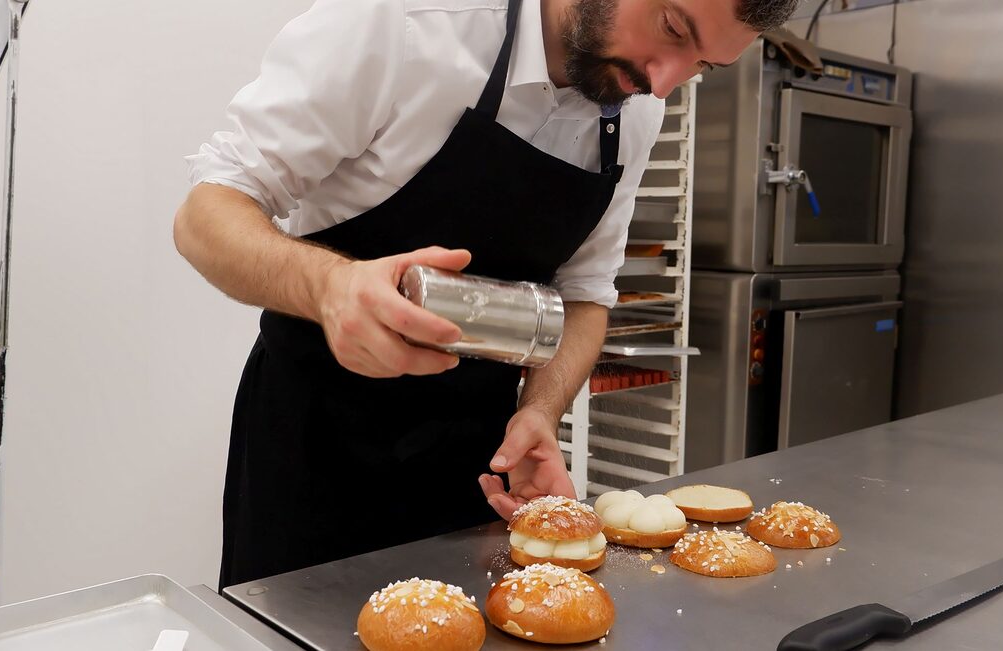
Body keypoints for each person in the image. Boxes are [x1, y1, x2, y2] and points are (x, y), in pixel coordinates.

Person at [175, 0, 798, 587]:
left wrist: (540, 413)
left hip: (478, 464)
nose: (663, 83)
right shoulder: (410, 23)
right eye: (672, 27)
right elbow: (209, 209)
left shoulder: (637, 109)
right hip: (312, 449)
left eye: (702, 68)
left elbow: (585, 296)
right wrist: (330, 287)